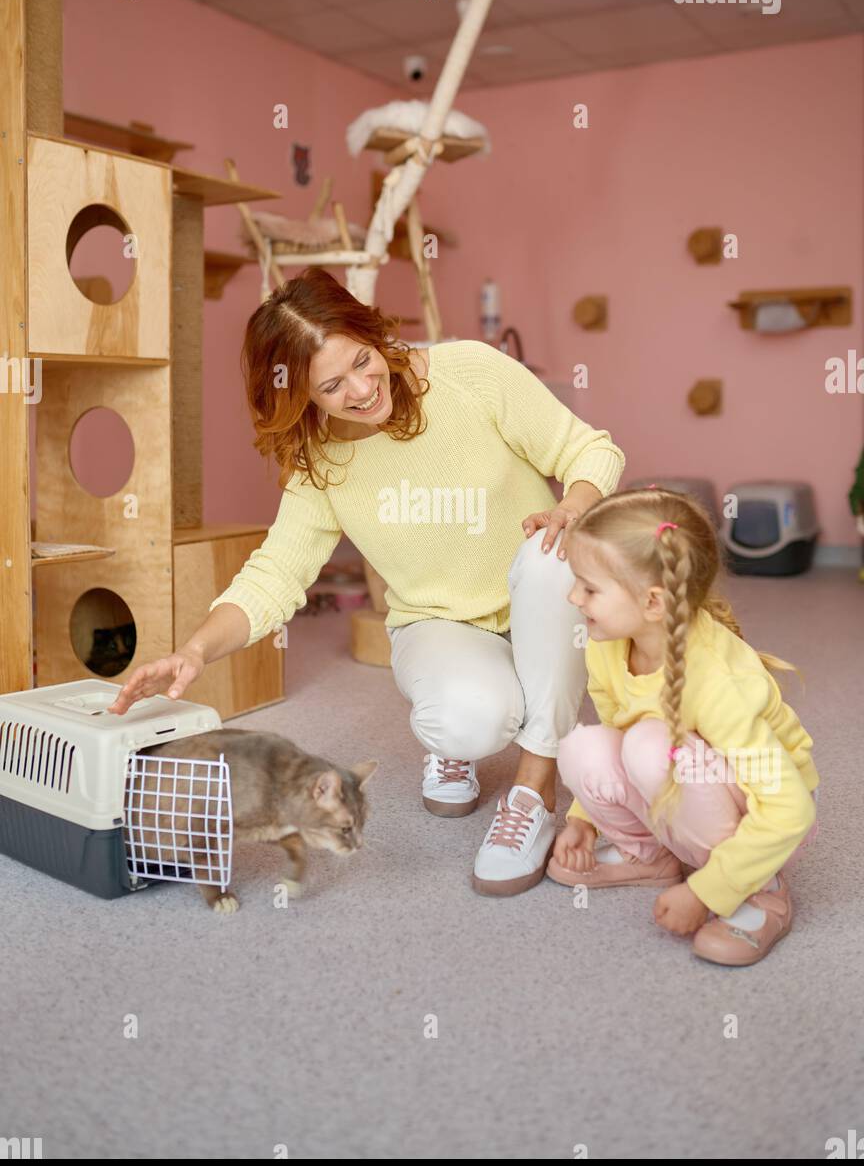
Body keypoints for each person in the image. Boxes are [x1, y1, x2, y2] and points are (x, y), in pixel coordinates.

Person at [110, 267, 626, 894]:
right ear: (301, 396)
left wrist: (570, 510)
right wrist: (195, 649)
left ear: (373, 331)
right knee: (469, 717)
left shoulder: (471, 371)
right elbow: (276, 574)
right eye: (332, 385)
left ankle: (532, 790)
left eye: (363, 359)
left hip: (536, 595)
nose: (361, 388)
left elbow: (589, 449)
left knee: (552, 556)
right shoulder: (318, 462)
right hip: (438, 622)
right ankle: (456, 740)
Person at [550, 487, 818, 965]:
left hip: (770, 818)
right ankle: (650, 857)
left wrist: (708, 893)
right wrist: (583, 821)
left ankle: (758, 886)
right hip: (689, 783)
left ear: (654, 602)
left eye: (589, 587)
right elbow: (613, 731)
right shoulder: (607, 642)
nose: (574, 597)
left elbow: (790, 809)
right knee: (585, 747)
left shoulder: (717, 681)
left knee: (651, 748)